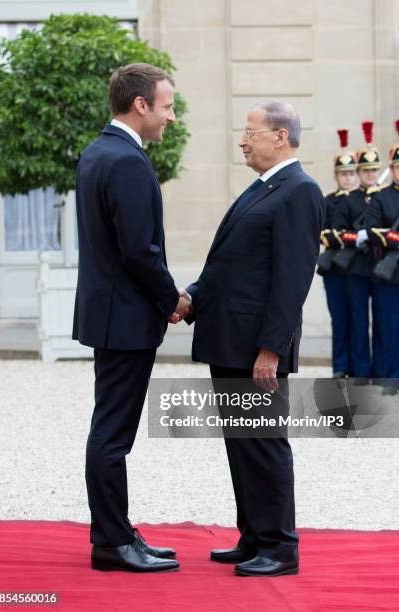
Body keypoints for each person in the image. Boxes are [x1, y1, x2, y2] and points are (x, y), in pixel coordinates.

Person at [185, 100, 325, 577]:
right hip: (230, 341)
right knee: (241, 443)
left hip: (255, 349)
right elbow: (230, 266)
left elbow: (291, 281)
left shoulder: (299, 190)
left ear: (280, 137)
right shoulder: (263, 187)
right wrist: (191, 299)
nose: (243, 140)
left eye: (251, 132)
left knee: (263, 443)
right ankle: (254, 536)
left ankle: (280, 548)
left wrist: (271, 348)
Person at [72, 63, 191, 573]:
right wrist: (173, 299)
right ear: (139, 104)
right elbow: (140, 252)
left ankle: (117, 533)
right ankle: (112, 542)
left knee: (111, 428)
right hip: (124, 319)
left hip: (112, 314)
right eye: (165, 106)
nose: (169, 117)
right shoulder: (125, 161)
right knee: (113, 433)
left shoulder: (100, 152)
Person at [332, 121, 384, 379]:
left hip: (381, 270)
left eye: (374, 170)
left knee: (384, 325)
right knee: (359, 324)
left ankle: (381, 371)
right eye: (365, 170)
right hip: (356, 269)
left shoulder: (383, 197)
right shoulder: (349, 199)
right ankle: (362, 371)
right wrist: (358, 237)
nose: (370, 175)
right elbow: (340, 233)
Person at [318, 129, 357, 378]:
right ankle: (340, 366)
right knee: (339, 319)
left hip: (356, 268)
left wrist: (340, 237)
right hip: (334, 269)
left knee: (358, 320)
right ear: (336, 176)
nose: (348, 178)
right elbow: (321, 232)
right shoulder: (328, 201)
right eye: (343, 174)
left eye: (352, 173)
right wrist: (342, 237)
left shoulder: (365, 200)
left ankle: (356, 365)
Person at [364, 120, 399, 395]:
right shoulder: (380, 197)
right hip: (389, 271)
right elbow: (372, 231)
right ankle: (389, 377)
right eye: (397, 167)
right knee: (387, 326)